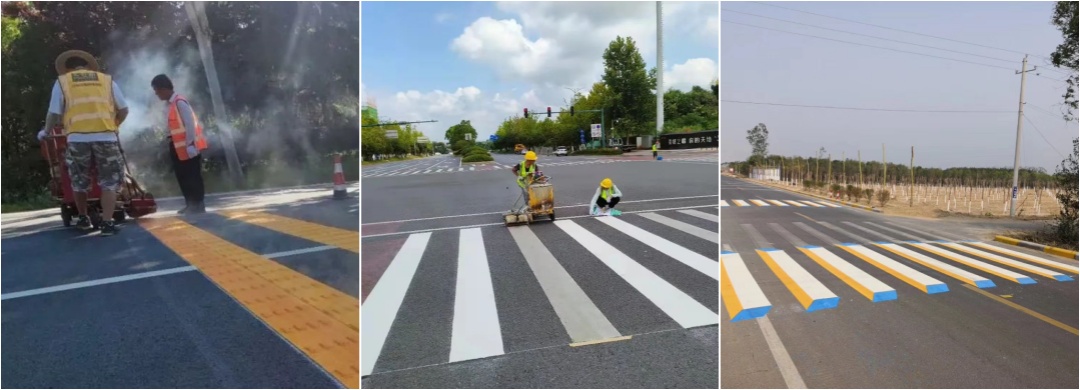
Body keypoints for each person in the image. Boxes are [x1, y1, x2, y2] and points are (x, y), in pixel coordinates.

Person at [39, 50, 129, 236]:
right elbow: (124, 109)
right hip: (106, 137)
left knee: (79, 181)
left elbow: (54, 112)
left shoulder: (63, 82)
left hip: (78, 138)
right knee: (109, 182)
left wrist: (45, 132)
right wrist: (114, 124)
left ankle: (82, 217)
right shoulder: (106, 80)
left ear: (67, 68)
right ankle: (107, 223)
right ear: (87, 66)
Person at [152, 74, 209, 214]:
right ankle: (190, 204)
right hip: (177, 147)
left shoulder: (179, 102)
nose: (156, 94)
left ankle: (198, 204)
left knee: (192, 176)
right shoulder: (171, 104)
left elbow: (190, 124)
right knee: (182, 176)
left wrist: (190, 144)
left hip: (187, 146)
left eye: (157, 90)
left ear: (164, 88)